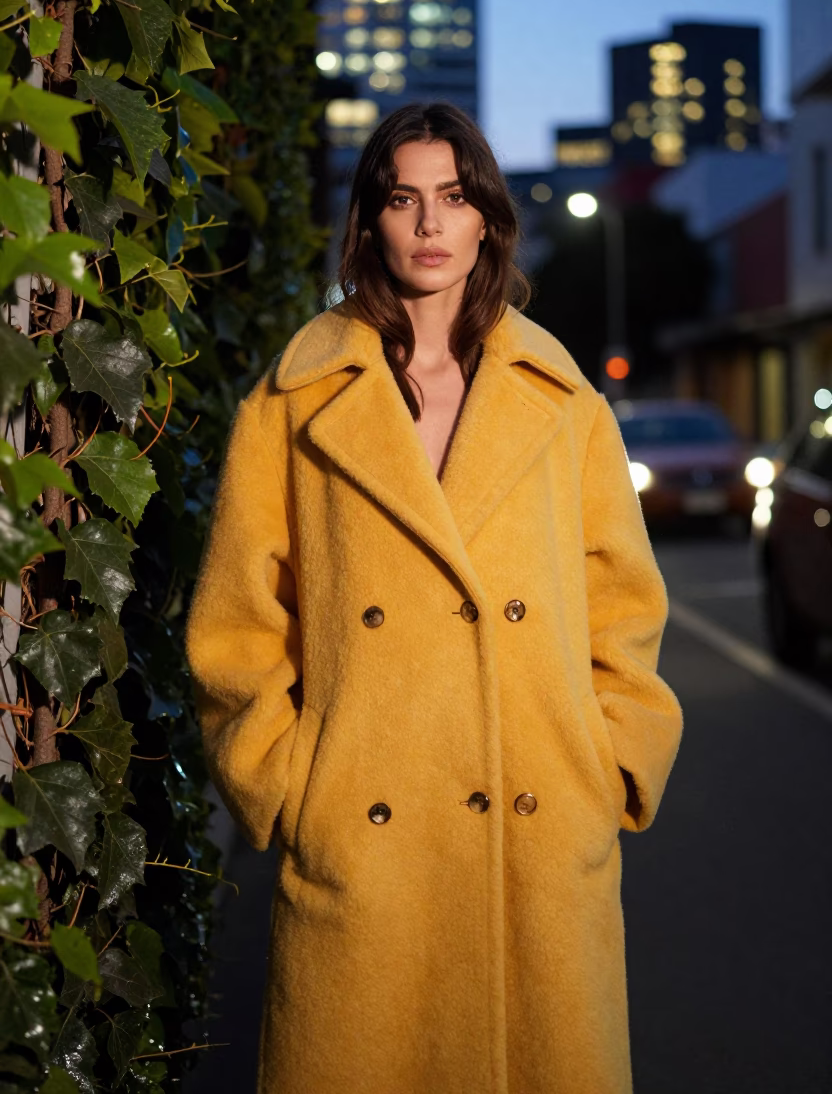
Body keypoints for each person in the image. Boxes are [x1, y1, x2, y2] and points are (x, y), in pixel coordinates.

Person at [185, 101, 684, 1094]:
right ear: (368, 219)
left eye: (452, 199)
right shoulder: (295, 401)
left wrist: (611, 761)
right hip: (368, 846)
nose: (427, 225)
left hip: (536, 836)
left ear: (486, 219)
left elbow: (622, 604)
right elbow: (236, 629)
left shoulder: (561, 399)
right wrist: (289, 787)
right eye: (403, 199)